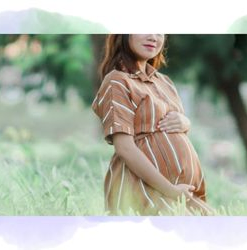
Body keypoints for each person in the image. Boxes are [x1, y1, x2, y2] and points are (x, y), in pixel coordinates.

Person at [91, 34, 215, 215]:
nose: (153, 37)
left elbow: (171, 127)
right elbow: (124, 148)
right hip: (143, 188)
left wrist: (185, 122)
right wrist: (170, 190)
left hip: (181, 193)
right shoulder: (117, 81)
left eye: (159, 31)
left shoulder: (164, 82)